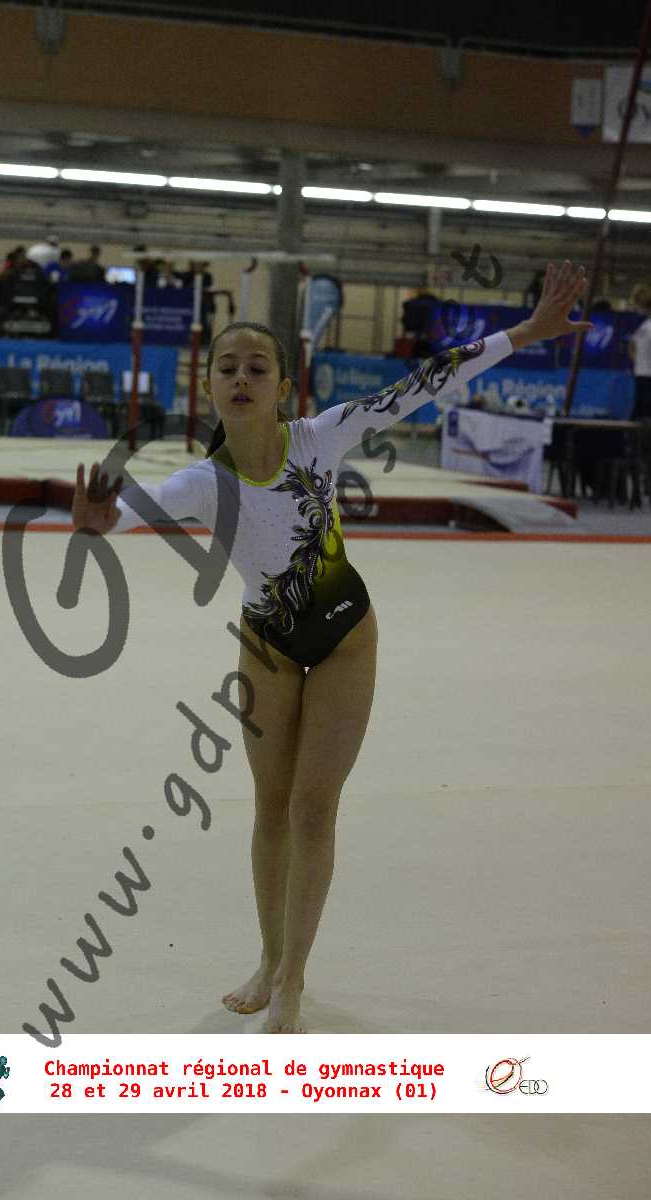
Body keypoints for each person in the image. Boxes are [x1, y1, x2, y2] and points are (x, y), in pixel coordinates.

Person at [71, 260, 593, 1034]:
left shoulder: (324, 435)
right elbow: (125, 514)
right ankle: (266, 957)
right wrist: (97, 523)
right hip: (267, 647)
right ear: (207, 386)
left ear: (284, 386)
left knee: (313, 810)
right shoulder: (202, 482)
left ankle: (293, 977)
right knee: (269, 809)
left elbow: (427, 380)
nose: (241, 378)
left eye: (257, 367)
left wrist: (524, 332)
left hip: (345, 637)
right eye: (227, 367)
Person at [628, 284, 651, 420]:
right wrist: (637, 362)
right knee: (639, 412)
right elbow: (632, 345)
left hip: (647, 375)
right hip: (641, 373)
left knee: (644, 413)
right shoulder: (644, 325)